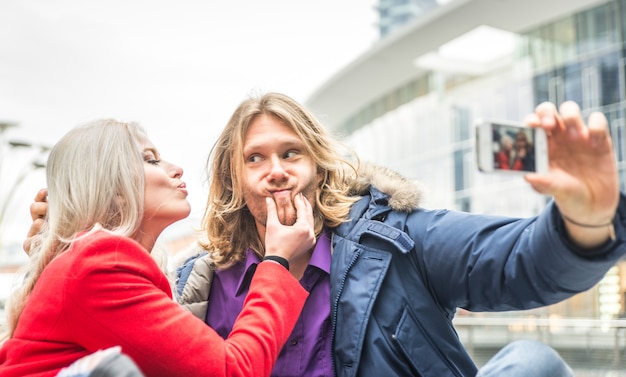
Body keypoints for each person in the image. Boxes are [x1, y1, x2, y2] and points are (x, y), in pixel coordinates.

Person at [22, 94, 625, 377]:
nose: (277, 170)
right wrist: (62, 240)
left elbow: (519, 263)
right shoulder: (196, 284)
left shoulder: (398, 239)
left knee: (531, 361)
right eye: (256, 159)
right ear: (234, 180)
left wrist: (587, 219)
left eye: (291, 153)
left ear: (319, 166)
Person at [0, 119, 316, 377]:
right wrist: (276, 260)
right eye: (151, 159)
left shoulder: (87, 262)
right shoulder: (100, 263)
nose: (176, 168)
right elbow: (231, 370)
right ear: (114, 189)